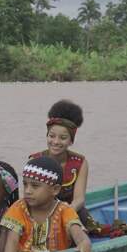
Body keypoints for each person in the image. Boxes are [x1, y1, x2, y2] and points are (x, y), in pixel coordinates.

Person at [28, 99, 103, 234]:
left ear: (71, 140)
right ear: (47, 136)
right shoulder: (35, 160)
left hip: (72, 211)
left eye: (63, 138)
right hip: (39, 211)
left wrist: (61, 216)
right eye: (52, 136)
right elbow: (29, 195)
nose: (56, 142)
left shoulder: (80, 162)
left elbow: (79, 199)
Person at [1, 157, 93, 252]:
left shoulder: (64, 210)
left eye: (35, 186)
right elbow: (12, 242)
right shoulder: (19, 208)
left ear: (55, 189)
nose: (27, 191)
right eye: (25, 184)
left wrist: (84, 243)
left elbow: (78, 233)